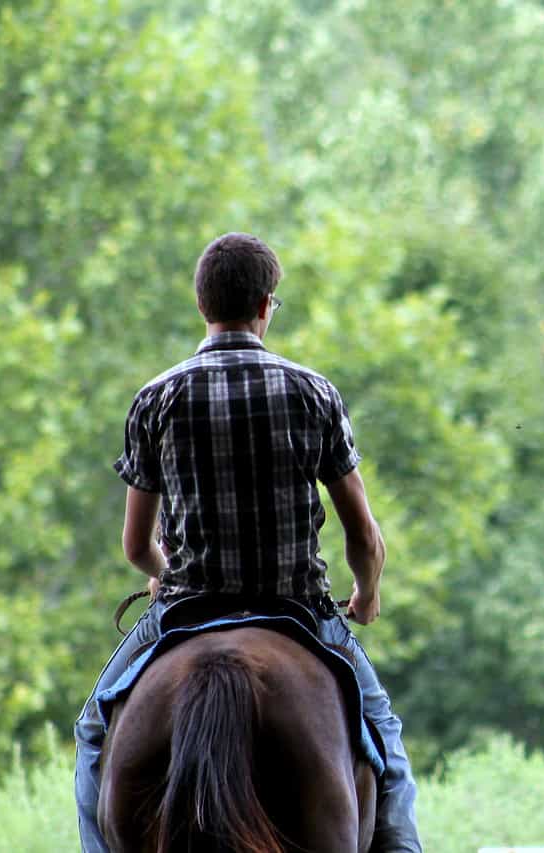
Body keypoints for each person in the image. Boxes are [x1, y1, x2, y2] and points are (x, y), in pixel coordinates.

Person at [73, 231, 422, 852]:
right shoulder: (314, 394)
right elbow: (363, 534)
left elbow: (135, 545)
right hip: (297, 611)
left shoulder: (156, 399)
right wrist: (366, 595)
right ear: (266, 305)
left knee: (94, 735)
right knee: (384, 743)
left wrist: (161, 572)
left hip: (185, 609)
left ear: (201, 304)